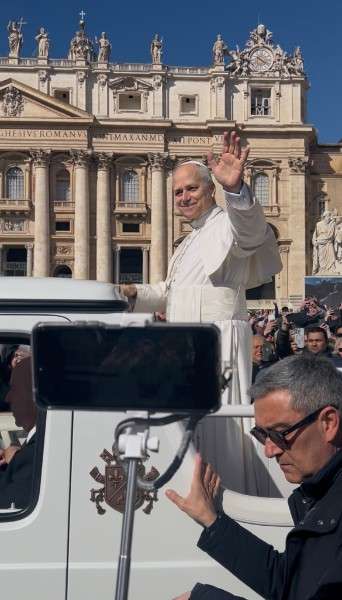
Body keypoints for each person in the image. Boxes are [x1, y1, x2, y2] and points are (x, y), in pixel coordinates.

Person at [121, 131, 281, 493]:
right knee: (192, 436)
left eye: (191, 189)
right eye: (178, 192)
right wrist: (129, 294)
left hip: (217, 341)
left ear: (211, 189)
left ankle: (230, 506)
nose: (184, 197)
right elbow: (170, 293)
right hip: (186, 348)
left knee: (222, 434)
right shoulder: (189, 240)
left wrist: (237, 189)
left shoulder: (228, 223)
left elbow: (254, 233)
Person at [166, 355, 342, 600]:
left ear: (328, 422)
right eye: (262, 435)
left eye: (280, 434)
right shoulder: (322, 492)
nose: (270, 451)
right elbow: (290, 582)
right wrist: (212, 521)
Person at [0, 357, 37, 509]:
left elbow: (7, 503)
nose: (8, 398)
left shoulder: (32, 453)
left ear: (33, 397)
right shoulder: (33, 447)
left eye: (15, 389)